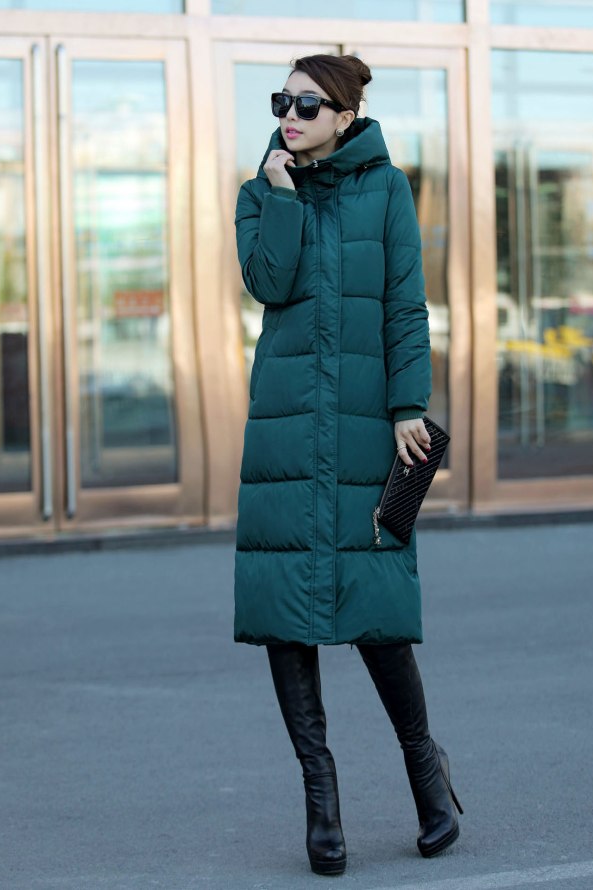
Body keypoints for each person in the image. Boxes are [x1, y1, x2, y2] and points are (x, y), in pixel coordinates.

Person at [232, 53, 462, 876]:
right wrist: (282, 197)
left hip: (367, 423)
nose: (288, 117)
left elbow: (405, 304)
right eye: (281, 102)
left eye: (306, 105)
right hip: (287, 425)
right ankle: (320, 804)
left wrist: (408, 406)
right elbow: (268, 283)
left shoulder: (387, 189)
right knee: (284, 608)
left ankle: (427, 776)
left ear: (343, 115)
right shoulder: (259, 190)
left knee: (375, 606)